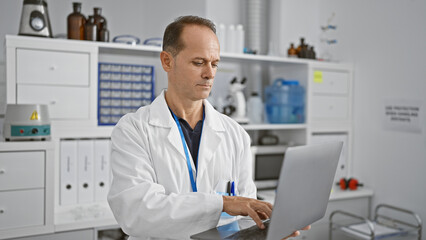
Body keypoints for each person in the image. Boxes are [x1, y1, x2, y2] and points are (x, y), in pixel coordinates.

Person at [108, 15, 309, 240]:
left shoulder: (235, 134)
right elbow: (137, 214)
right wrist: (222, 203)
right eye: (198, 62)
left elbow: (245, 218)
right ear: (167, 61)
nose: (210, 73)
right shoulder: (134, 130)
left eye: (214, 64)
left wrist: (267, 233)